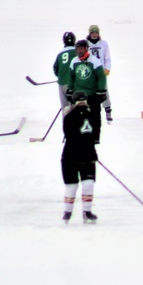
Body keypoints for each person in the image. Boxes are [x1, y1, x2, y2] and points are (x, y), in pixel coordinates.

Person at [60, 90, 98, 223]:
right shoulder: (70, 116)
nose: (82, 104)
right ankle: (68, 212)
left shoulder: (91, 115)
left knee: (88, 183)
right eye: (80, 101)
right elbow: (71, 136)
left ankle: (87, 212)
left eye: (84, 101)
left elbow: (93, 136)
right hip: (71, 156)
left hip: (87, 155)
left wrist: (91, 152)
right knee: (72, 185)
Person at [64, 39, 107, 143]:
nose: (79, 51)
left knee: (95, 116)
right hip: (78, 95)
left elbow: (101, 77)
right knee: (76, 116)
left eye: (82, 48)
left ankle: (95, 137)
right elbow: (71, 77)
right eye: (77, 49)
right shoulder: (74, 61)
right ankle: (77, 136)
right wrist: (69, 89)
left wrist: (101, 90)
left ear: (86, 49)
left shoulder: (94, 61)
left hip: (92, 94)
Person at [86, 24, 114, 122]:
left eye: (96, 32)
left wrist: (107, 68)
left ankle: (108, 110)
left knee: (104, 90)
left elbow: (108, 58)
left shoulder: (104, 44)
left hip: (100, 72)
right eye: (92, 33)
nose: (94, 35)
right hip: (89, 72)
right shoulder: (85, 44)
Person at [53, 31, 77, 108]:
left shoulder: (60, 54)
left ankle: (66, 119)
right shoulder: (78, 52)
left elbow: (55, 69)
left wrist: (61, 76)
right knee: (76, 105)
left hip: (62, 83)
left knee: (65, 107)